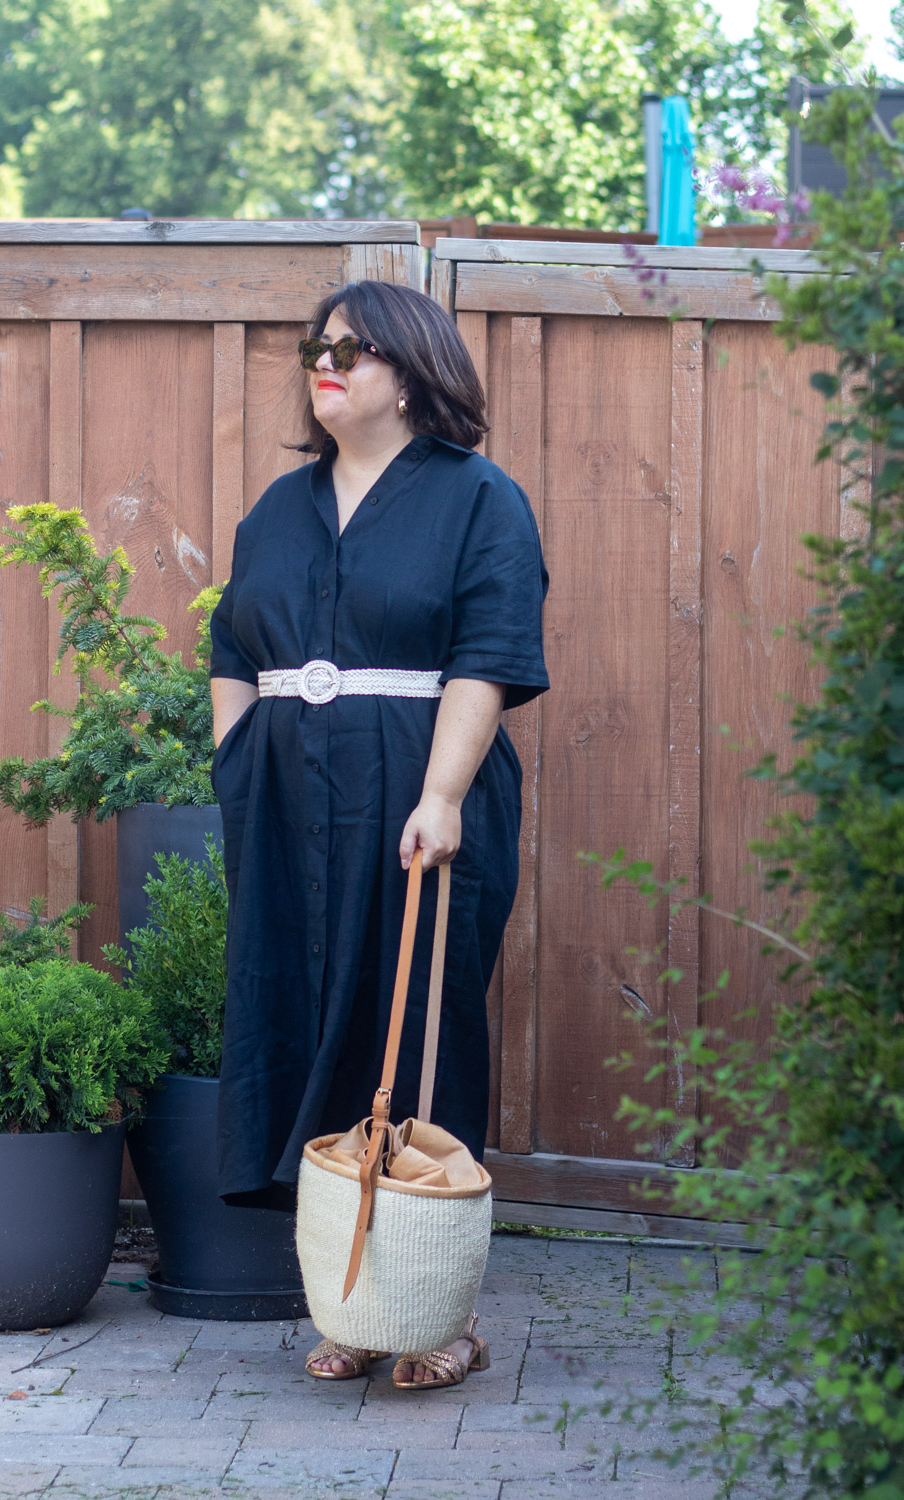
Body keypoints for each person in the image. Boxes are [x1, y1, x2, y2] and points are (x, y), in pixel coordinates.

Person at [208, 280, 549, 1389]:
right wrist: (235, 764)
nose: (328, 362)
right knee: (306, 1025)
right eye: (319, 346)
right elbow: (227, 647)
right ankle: (354, 1302)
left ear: (412, 370)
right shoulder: (277, 506)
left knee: (418, 1030)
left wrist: (443, 793)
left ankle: (438, 1312)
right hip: (283, 805)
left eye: (353, 349)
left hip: (418, 798)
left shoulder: (477, 499)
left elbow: (487, 657)